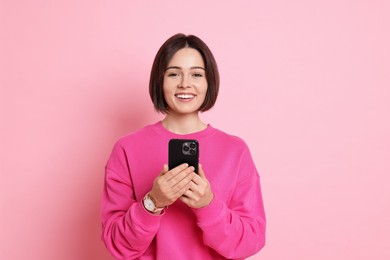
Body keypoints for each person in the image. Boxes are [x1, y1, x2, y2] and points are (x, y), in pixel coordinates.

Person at [101, 33, 266, 260]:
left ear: (210, 82)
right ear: (160, 81)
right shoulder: (126, 149)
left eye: (196, 74)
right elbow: (117, 245)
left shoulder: (235, 151)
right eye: (174, 73)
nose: (185, 83)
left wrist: (207, 204)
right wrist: (153, 202)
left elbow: (249, 242)